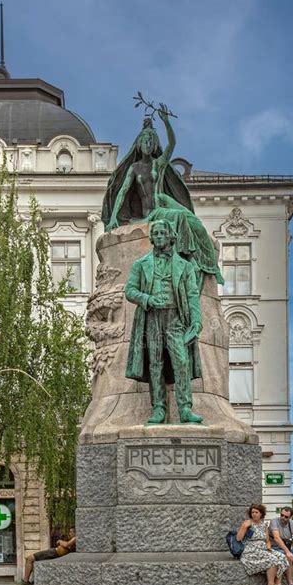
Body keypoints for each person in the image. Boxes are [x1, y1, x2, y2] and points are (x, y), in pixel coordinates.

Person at [103, 107, 224, 288]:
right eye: (145, 140)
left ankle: (211, 266)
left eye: (152, 140)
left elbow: (171, 145)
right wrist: (113, 217)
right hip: (152, 213)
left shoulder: (158, 164)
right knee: (181, 217)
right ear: (138, 144)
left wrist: (166, 122)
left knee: (195, 222)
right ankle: (190, 255)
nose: (148, 143)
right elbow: (123, 191)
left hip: (164, 202)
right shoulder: (134, 168)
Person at [125, 219, 203, 424]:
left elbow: (193, 295)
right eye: (156, 233)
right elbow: (130, 291)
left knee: (182, 362)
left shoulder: (185, 267)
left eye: (162, 233)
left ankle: (185, 409)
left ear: (170, 237)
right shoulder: (141, 264)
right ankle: (158, 408)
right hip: (152, 318)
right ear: (152, 238)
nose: (159, 236)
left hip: (175, 319)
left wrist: (196, 321)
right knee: (155, 364)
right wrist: (148, 299)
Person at [237, 504, 289, 585]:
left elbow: (267, 540)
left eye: (256, 512)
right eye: (252, 512)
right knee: (272, 560)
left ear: (261, 514)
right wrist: (244, 527)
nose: (254, 514)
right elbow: (238, 538)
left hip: (263, 549)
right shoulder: (247, 523)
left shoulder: (264, 525)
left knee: (282, 557)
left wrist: (268, 546)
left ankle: (278, 584)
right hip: (251, 550)